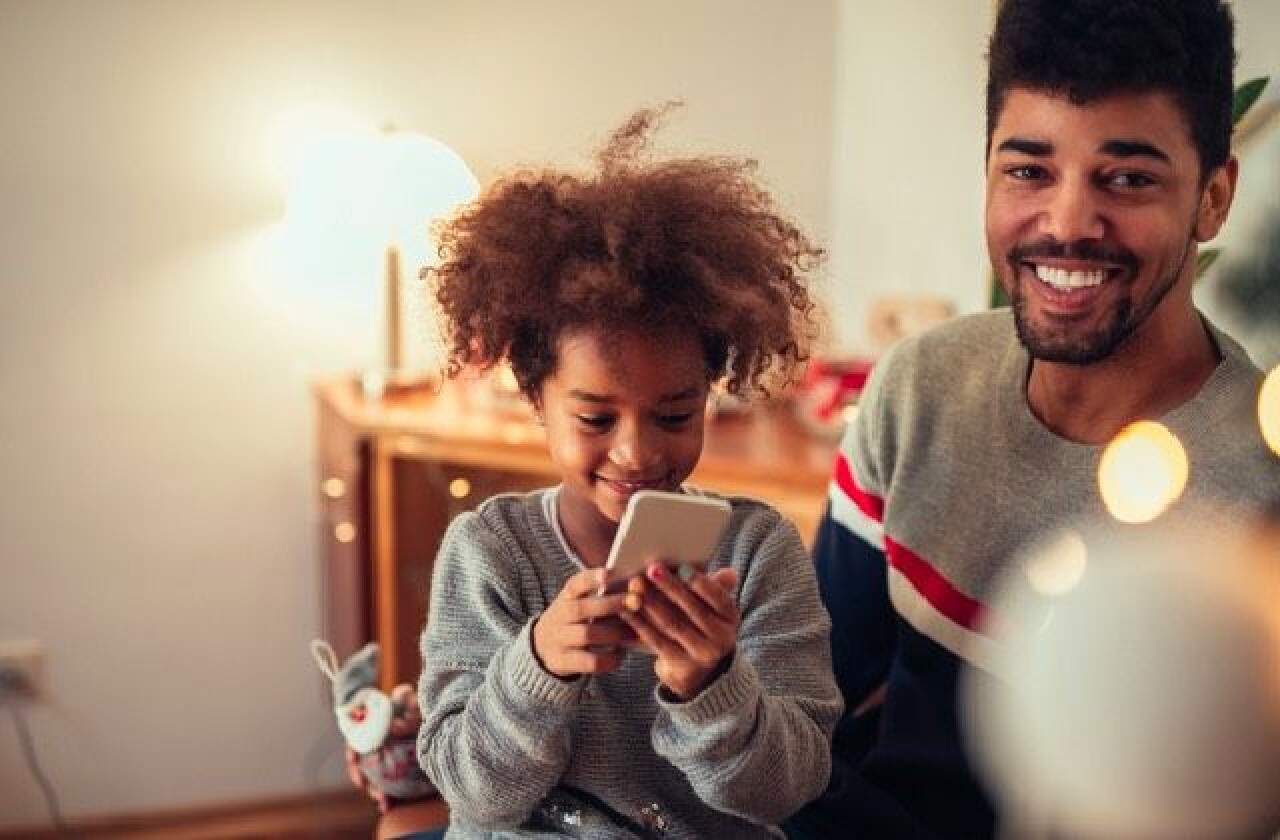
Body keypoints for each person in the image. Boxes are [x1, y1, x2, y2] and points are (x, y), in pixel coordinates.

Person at [786, 1, 1280, 838]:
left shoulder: (1257, 499)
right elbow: (807, 701)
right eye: (1028, 170)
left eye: (1128, 178)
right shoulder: (919, 389)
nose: (1066, 223)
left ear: (1213, 198)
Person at [407, 107, 843, 839]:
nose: (638, 454)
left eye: (674, 416)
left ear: (711, 390)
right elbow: (473, 795)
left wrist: (710, 687)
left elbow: (788, 793)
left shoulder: (756, 552)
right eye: (595, 419)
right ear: (535, 399)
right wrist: (539, 663)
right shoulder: (490, 552)